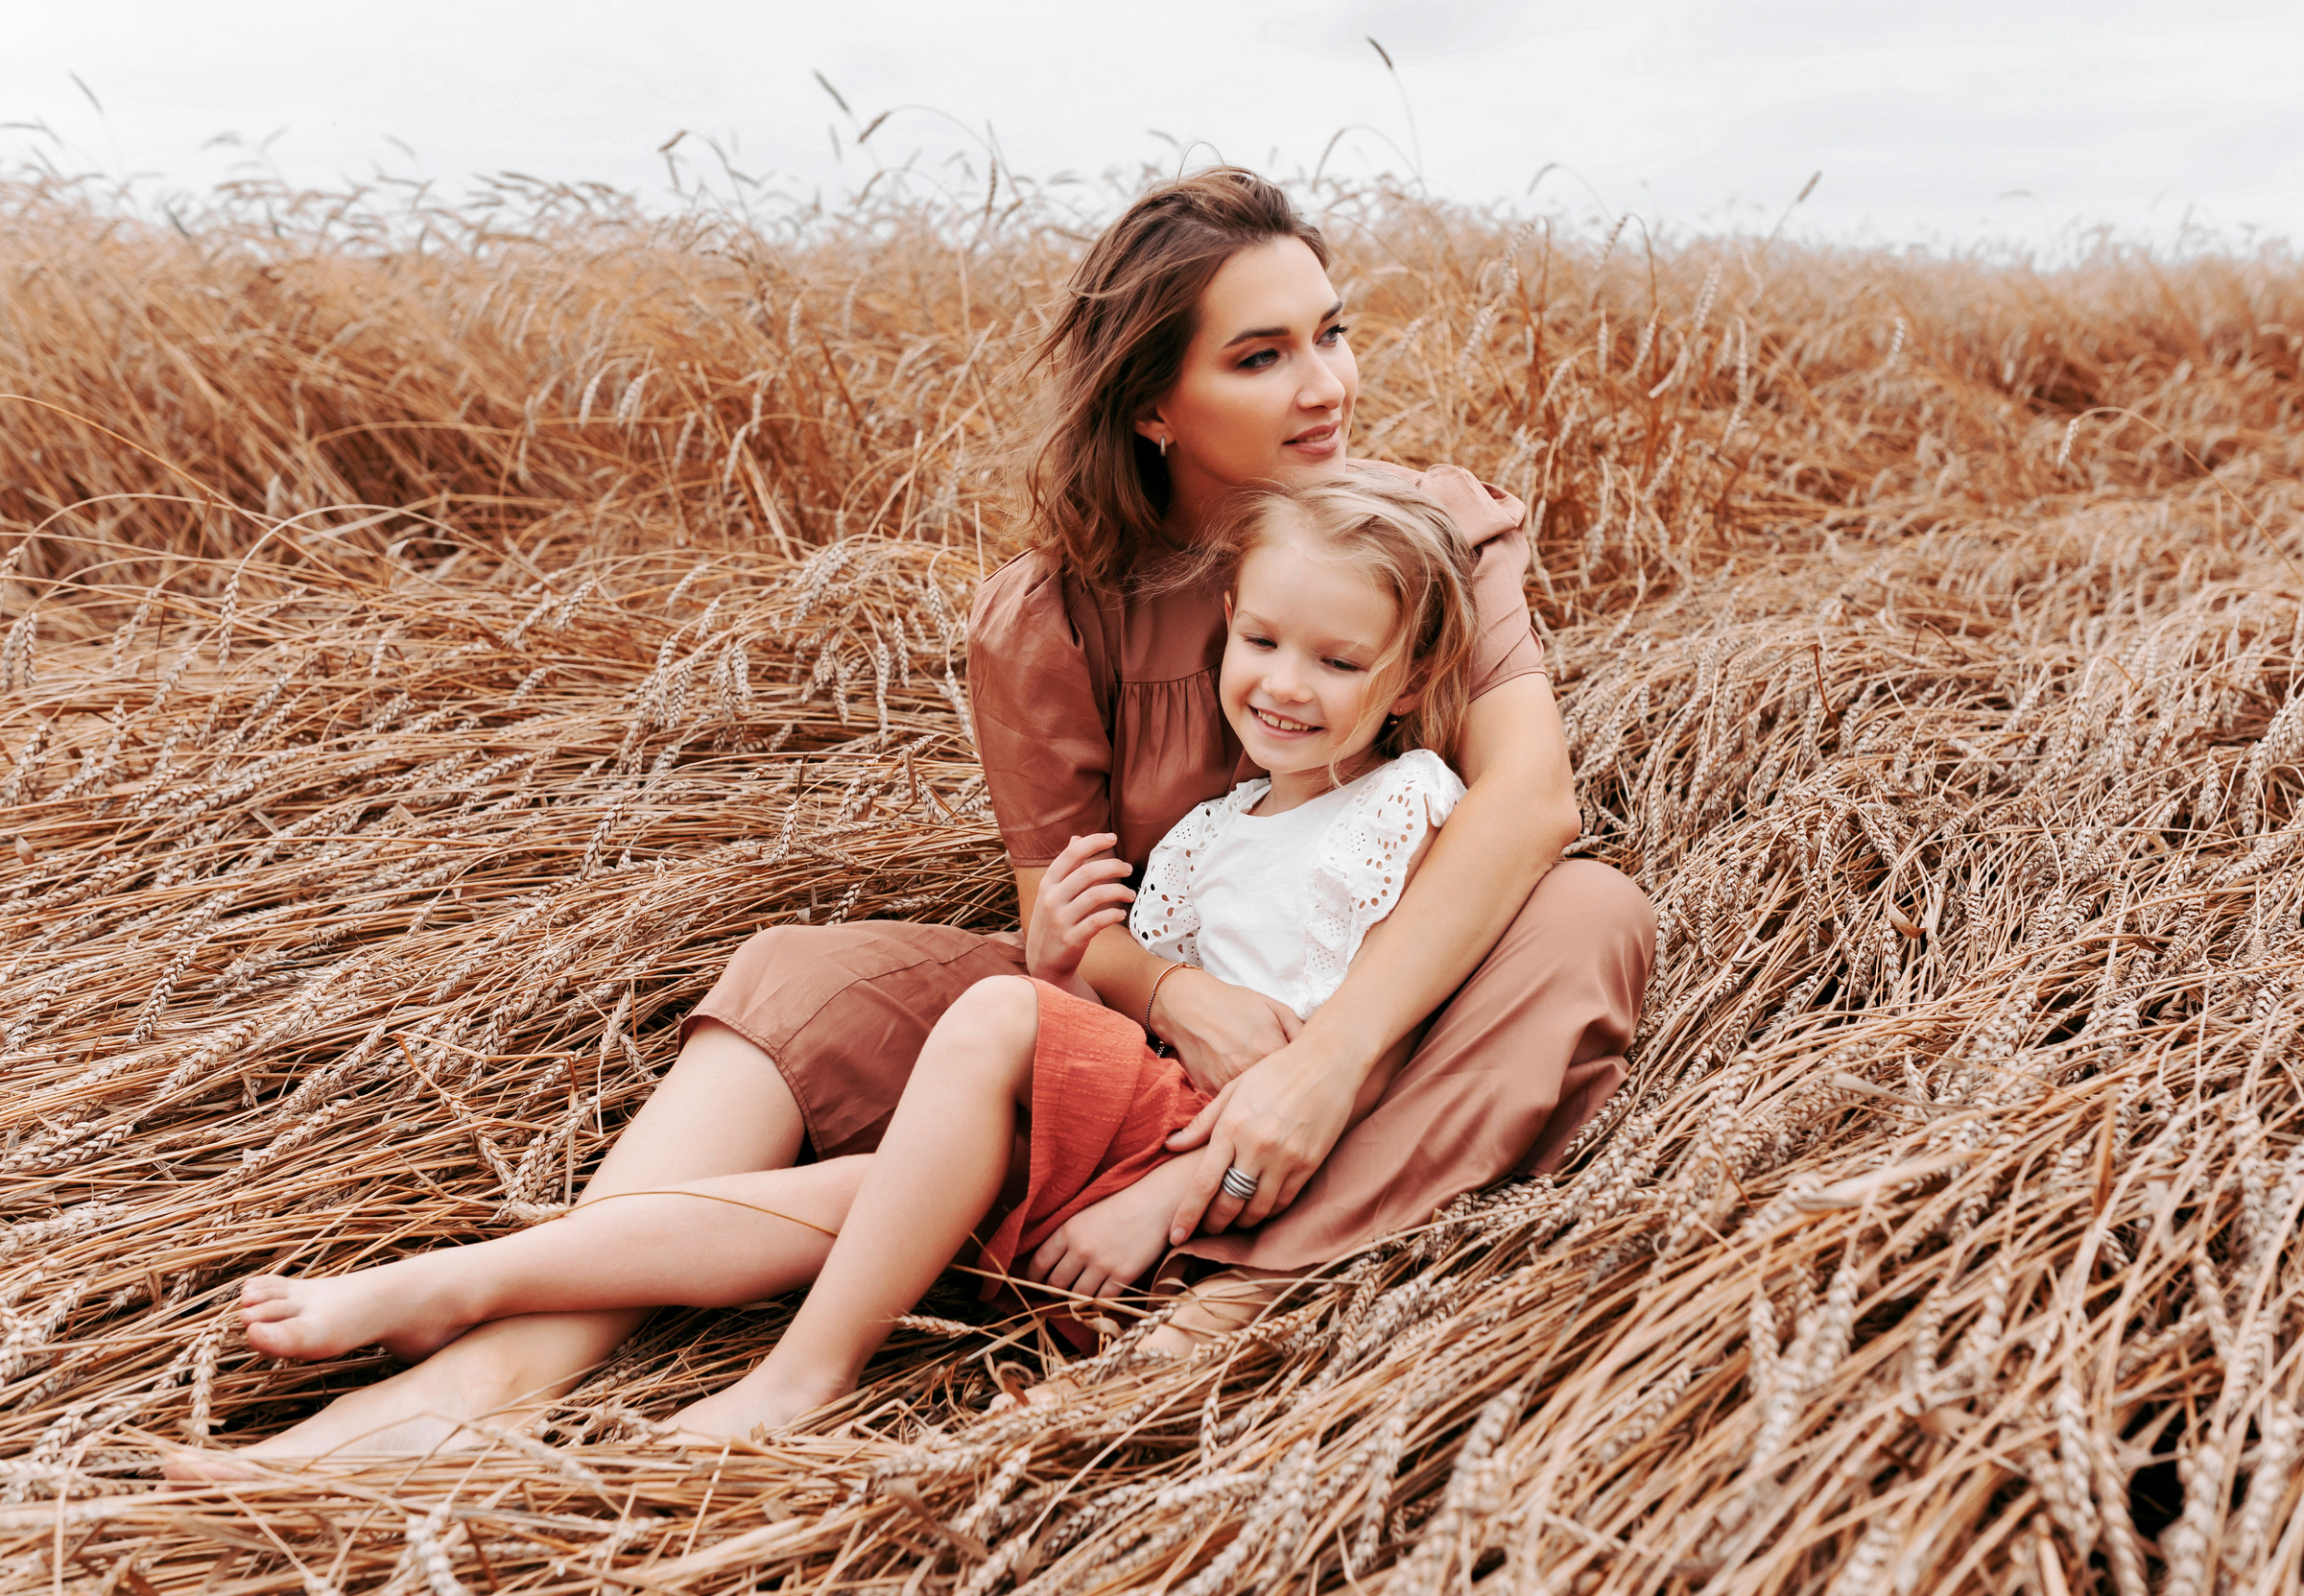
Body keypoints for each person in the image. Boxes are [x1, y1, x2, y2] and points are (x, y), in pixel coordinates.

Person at [165, 165, 1654, 1476]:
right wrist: (1152, 982)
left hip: (1375, 1023)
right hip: (1147, 1031)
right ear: (1154, 403)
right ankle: (517, 1348)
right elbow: (1059, 928)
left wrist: (1319, 1065)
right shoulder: (1052, 612)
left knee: (1593, 913)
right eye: (1261, 355)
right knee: (803, 977)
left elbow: (1530, 801)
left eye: (1330, 331)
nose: (1325, 384)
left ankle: (1234, 1297)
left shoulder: (1432, 533)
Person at [229, 472, 1491, 1438]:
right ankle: (468, 1292)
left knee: (995, 1021)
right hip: (1122, 1131)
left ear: (1414, 671)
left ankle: (801, 1376)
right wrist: (1065, 961)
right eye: (1262, 641)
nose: (1284, 683)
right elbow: (1132, 1017)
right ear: (1228, 619)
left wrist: (1172, 1189)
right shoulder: (1220, 825)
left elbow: (1377, 1044)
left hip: (1194, 1169)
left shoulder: (1409, 804)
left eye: (1338, 661)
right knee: (875, 1193)